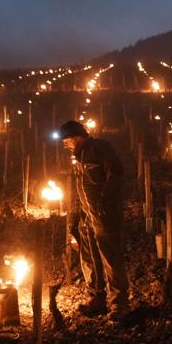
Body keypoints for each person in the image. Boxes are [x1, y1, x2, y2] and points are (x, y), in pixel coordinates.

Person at [57, 120, 129, 321]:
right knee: (90, 260)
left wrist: (105, 201)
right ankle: (97, 297)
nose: (65, 145)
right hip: (87, 217)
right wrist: (76, 217)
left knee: (110, 259)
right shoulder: (79, 157)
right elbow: (80, 188)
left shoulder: (100, 148)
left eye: (67, 140)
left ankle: (119, 305)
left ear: (78, 137)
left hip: (104, 216)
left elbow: (117, 174)